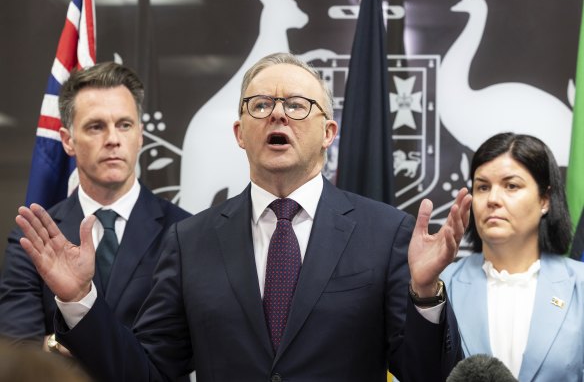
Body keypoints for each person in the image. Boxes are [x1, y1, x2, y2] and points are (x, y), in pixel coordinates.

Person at [16, 52, 472, 382]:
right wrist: (79, 300)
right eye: (261, 105)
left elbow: (425, 375)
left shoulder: (384, 232)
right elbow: (148, 372)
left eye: (297, 105)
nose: (278, 114)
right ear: (240, 133)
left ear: (329, 132)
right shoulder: (189, 240)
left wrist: (426, 295)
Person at [0, 62, 190, 356]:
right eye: (96, 126)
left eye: (124, 125)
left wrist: (60, 343)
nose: (113, 139)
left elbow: (178, 352)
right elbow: (20, 354)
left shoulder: (184, 233)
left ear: (140, 135)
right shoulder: (33, 239)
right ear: (68, 141)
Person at [440, 132, 582, 381]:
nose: (493, 199)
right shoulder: (440, 285)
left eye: (511, 186)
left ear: (545, 200)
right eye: (482, 187)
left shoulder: (579, 285)